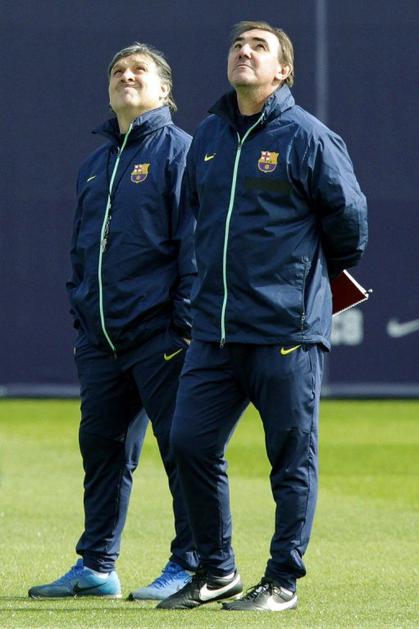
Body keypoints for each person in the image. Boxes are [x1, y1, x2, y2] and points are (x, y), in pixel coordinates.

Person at [158, 21, 368, 612]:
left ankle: (281, 581)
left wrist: (300, 281)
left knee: (290, 461)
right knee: (188, 444)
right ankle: (217, 571)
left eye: (258, 47)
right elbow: (197, 212)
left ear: (283, 70)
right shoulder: (208, 134)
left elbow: (350, 225)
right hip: (216, 332)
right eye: (237, 45)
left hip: (285, 331)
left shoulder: (308, 136)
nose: (244, 52)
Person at [28, 42, 198, 600]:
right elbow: (83, 251)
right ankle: (97, 565)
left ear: (164, 90)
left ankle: (190, 563)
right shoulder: (95, 165)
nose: (127, 76)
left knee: (182, 452)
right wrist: (83, 318)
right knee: (101, 451)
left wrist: (183, 326)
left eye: (139, 70)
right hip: (102, 339)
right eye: (118, 71)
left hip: (161, 336)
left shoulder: (180, 153)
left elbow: (194, 246)